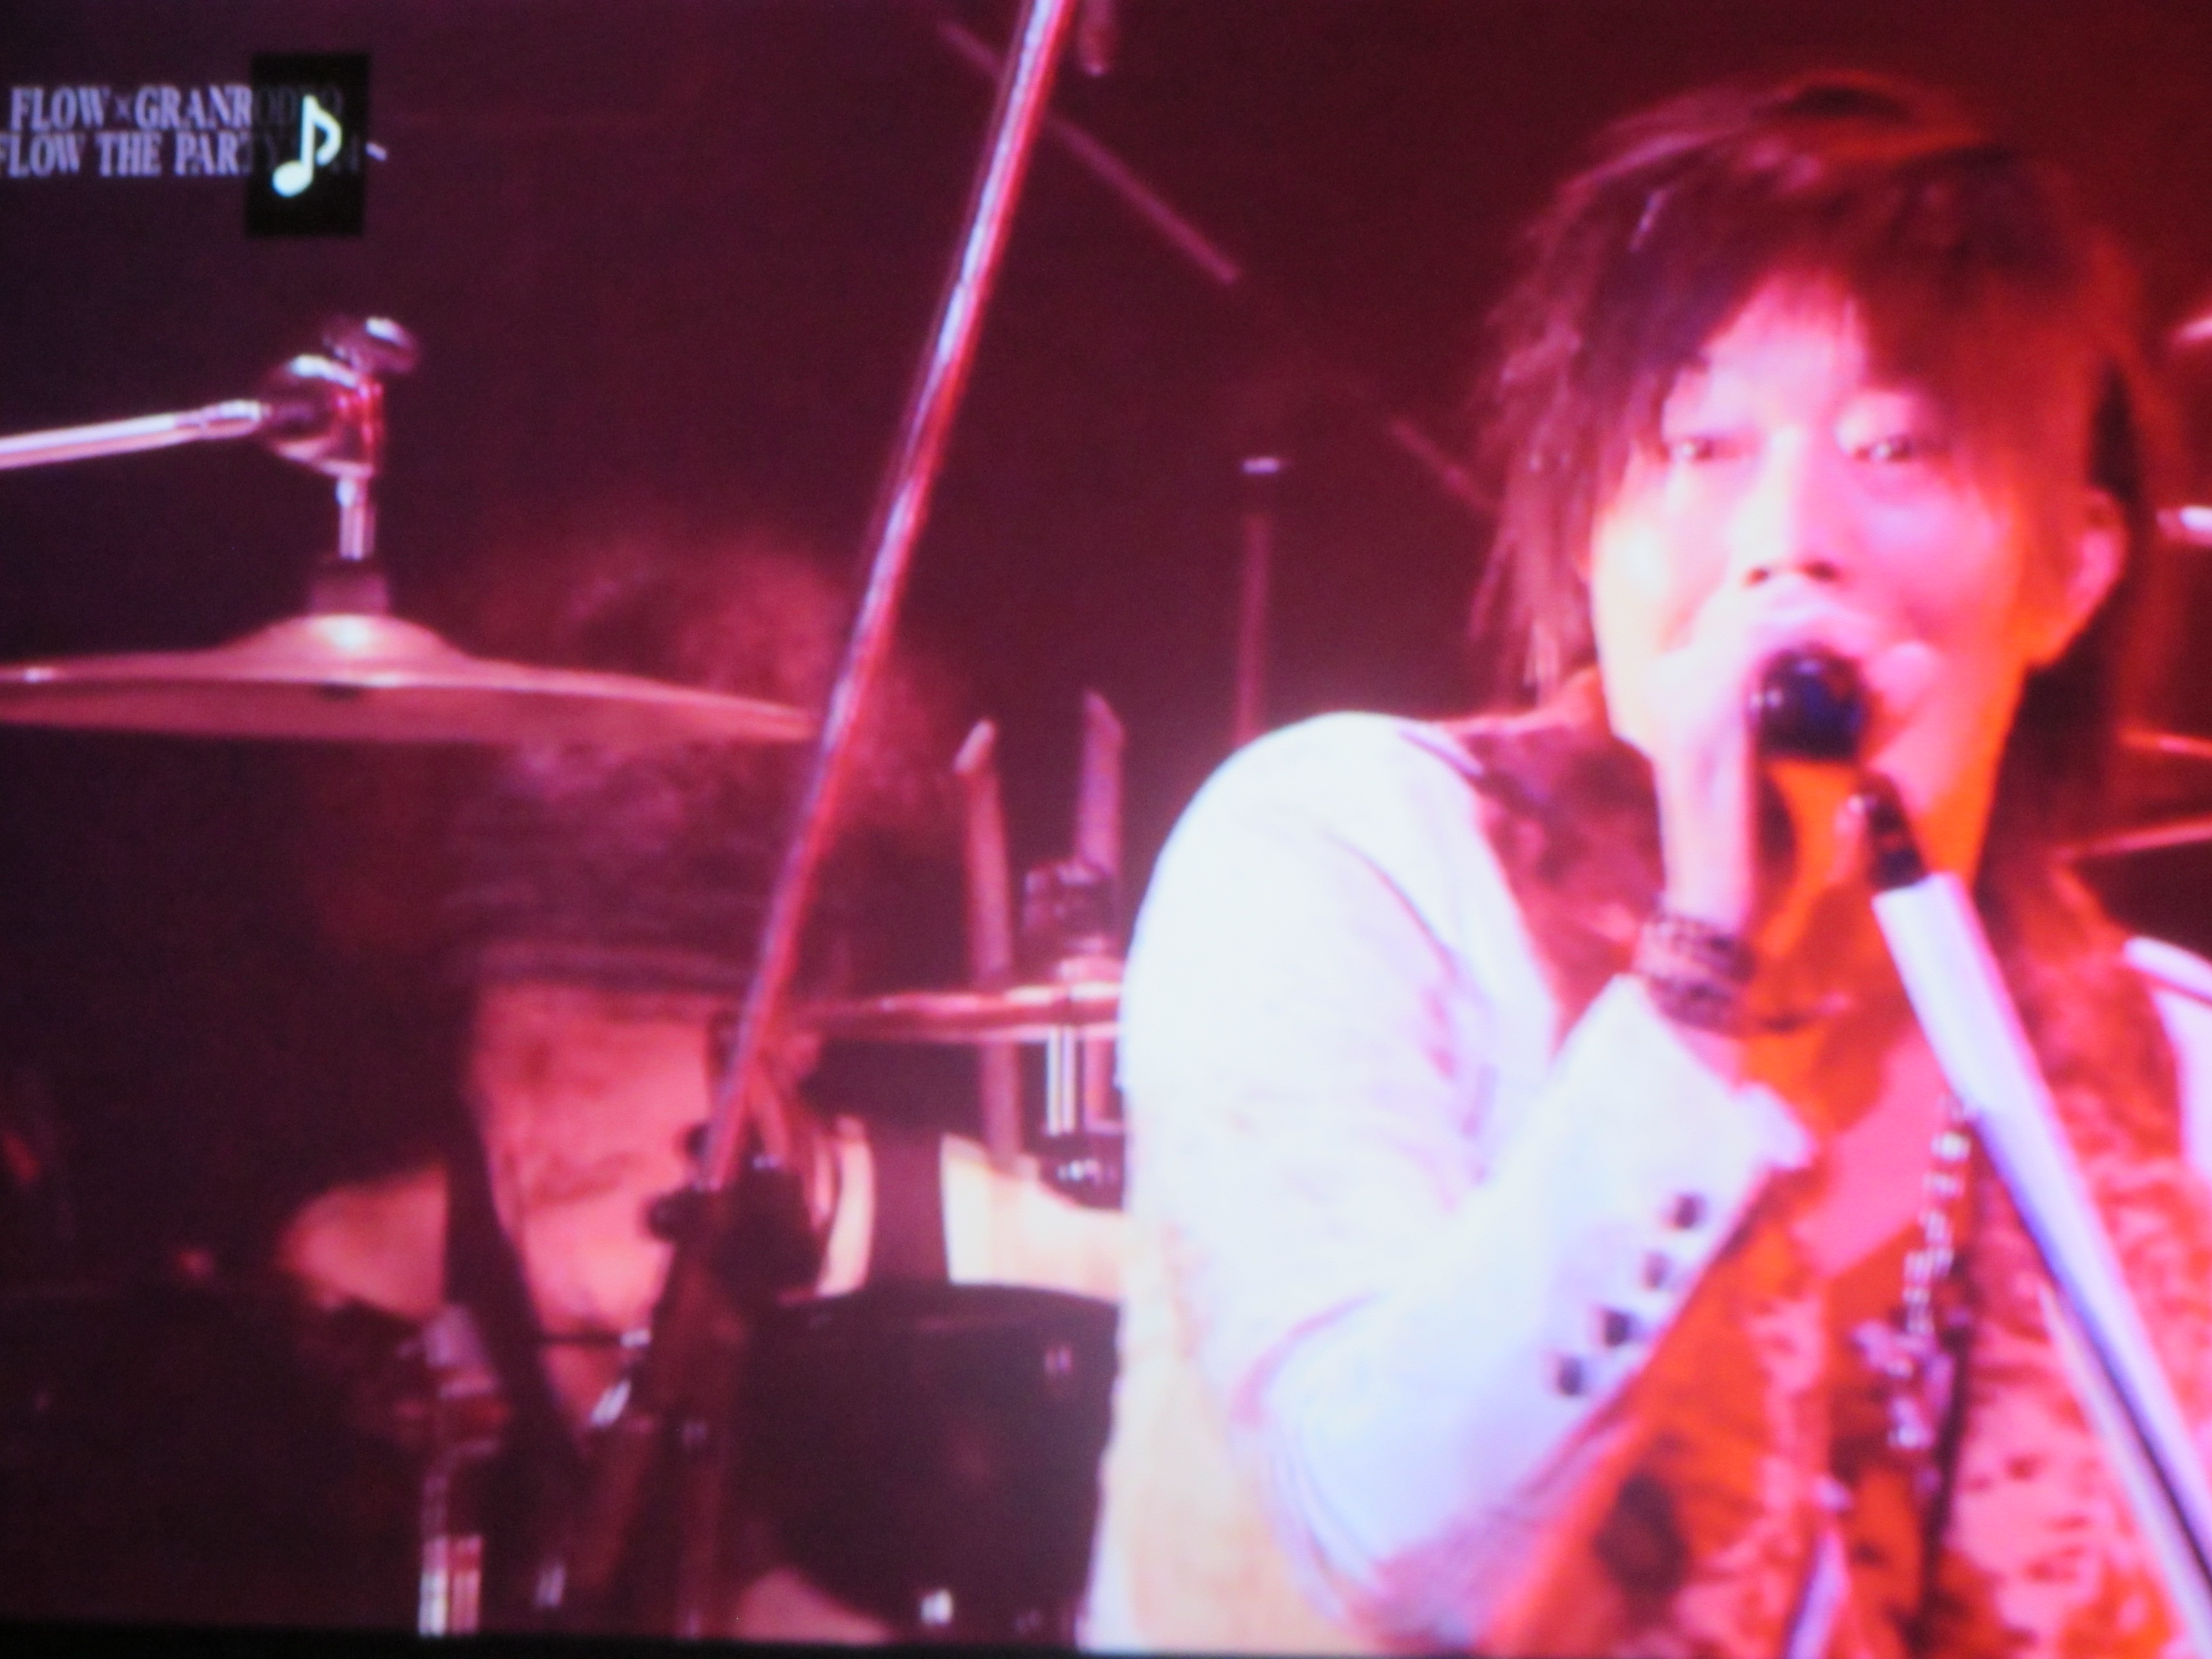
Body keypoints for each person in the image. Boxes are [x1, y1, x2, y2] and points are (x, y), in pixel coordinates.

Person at [1084, 72, 2212, 1657]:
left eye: (1895, 447)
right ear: (1585, 528)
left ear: (2072, 566)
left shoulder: (2168, 1077)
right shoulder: (1354, 863)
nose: (1785, 536)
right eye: (1697, 442)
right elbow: (1392, 1553)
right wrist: (1704, 971)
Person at [276, 534, 1123, 1638]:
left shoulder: (1041, 1270)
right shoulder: (363, 1282)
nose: (546, 1128)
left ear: (787, 1038)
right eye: (515, 1062)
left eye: (615, 1046)